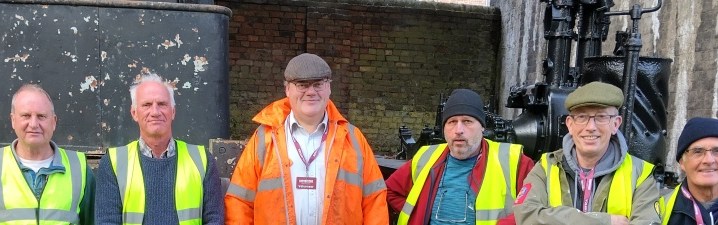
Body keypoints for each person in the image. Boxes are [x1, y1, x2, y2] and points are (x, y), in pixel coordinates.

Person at [225, 53, 388, 224]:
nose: (311, 92)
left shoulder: (353, 139)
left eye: (318, 84)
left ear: (329, 88)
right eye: (302, 85)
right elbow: (239, 201)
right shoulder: (264, 138)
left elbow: (374, 201)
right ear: (287, 89)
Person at [513, 81, 660, 225]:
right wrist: (603, 221)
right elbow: (526, 215)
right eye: (582, 117)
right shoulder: (546, 167)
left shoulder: (641, 175)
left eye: (601, 117)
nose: (591, 127)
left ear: (615, 124)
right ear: (570, 124)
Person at [385, 88, 535, 225]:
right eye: (451, 122)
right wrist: (418, 214)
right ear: (444, 129)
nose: (458, 130)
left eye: (467, 121)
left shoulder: (514, 161)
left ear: (482, 127)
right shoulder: (426, 157)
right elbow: (390, 191)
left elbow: (533, 207)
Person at [96, 74, 224, 224]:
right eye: (146, 104)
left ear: (173, 112)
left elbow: (214, 219)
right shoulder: (113, 163)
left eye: (162, 104)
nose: (155, 112)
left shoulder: (202, 160)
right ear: (134, 113)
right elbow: (107, 221)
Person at [0, 84, 95, 225]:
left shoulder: (78, 167)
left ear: (54, 122)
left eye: (41, 116)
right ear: (13, 120)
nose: (33, 124)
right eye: (26, 115)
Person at [658, 117, 718, 225]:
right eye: (698, 151)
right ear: (682, 162)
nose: (709, 160)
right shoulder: (658, 211)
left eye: (717, 151)